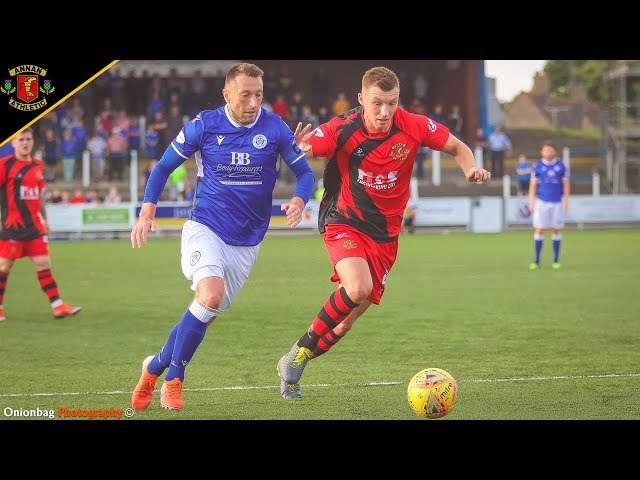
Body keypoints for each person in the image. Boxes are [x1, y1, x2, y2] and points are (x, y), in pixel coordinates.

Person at [275, 66, 491, 399]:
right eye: (377, 103)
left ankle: (291, 366)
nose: (384, 111)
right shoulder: (343, 127)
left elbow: (458, 148)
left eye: (391, 103)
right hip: (344, 219)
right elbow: (313, 143)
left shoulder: (414, 125)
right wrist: (301, 148)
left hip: (386, 236)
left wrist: (471, 168)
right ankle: (300, 351)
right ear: (362, 99)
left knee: (346, 322)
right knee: (357, 287)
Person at [130, 63, 316, 411]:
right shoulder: (204, 125)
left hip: (247, 241)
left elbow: (305, 174)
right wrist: (147, 210)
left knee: (204, 312)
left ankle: (153, 367)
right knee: (210, 295)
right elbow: (163, 168)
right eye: (245, 94)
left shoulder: (275, 127)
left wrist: (298, 199)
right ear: (227, 94)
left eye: (258, 94)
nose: (253, 102)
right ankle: (174, 379)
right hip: (206, 227)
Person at [0, 128, 81, 322]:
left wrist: (45, 220)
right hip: (13, 226)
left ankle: (58, 306)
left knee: (43, 264)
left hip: (35, 226)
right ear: (13, 142)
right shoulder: (5, 165)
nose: (25, 143)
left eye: (28, 139)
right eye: (21, 140)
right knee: (3, 267)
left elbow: (39, 196)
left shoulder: (37, 165)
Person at [528, 140, 569, 270]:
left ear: (554, 151)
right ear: (542, 152)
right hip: (542, 202)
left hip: (557, 202)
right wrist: (531, 201)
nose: (548, 152)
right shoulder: (537, 166)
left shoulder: (561, 166)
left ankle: (556, 260)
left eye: (550, 150)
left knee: (556, 229)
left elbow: (566, 185)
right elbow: (533, 185)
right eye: (545, 150)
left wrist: (566, 202)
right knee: (539, 229)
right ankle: (537, 260)